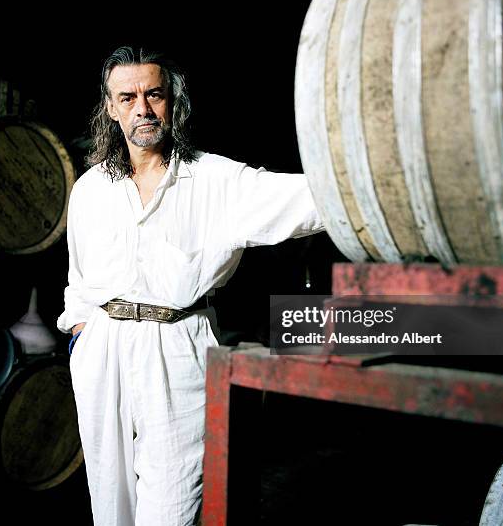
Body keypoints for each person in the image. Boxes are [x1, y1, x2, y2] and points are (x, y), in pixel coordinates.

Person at [57, 46, 325, 526]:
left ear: (171, 101)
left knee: (171, 507)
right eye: (128, 97)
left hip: (178, 347)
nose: (142, 108)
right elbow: (78, 280)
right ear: (111, 108)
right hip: (103, 352)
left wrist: (369, 183)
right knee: (110, 502)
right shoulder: (91, 189)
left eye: (153, 94)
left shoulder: (214, 179)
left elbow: (302, 200)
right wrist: (81, 335)